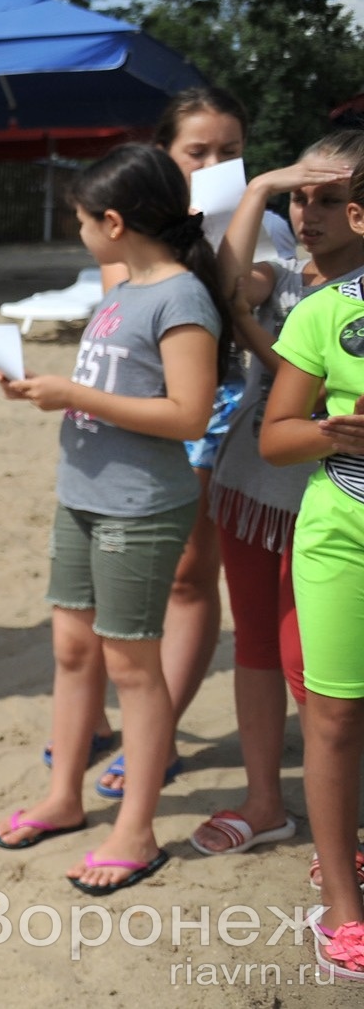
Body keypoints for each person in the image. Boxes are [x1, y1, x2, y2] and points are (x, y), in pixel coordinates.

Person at [0, 144, 228, 898]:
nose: (81, 231)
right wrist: (43, 389)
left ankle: (137, 827)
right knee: (71, 649)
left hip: (140, 505)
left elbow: (188, 414)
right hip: (84, 494)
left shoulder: (180, 297)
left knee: (131, 665)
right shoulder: (122, 290)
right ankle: (66, 795)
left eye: (84, 221)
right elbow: (112, 383)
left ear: (115, 222)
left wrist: (75, 396)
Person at [92, 86, 303, 798]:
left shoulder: (264, 222)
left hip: (213, 419)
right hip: (133, 416)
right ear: (164, 154)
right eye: (198, 151)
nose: (216, 163)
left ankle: (164, 727)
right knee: (119, 570)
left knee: (190, 573)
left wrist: (246, 203)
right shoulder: (128, 221)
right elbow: (118, 303)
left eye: (232, 152)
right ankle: (114, 717)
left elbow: (236, 287)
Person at [193, 133, 363, 858]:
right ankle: (267, 801)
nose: (309, 213)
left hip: (328, 498)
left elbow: (314, 375)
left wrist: (270, 348)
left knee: (322, 674)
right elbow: (222, 290)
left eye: (330, 199)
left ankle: (343, 831)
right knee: (259, 646)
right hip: (255, 482)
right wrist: (258, 185)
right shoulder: (286, 272)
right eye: (300, 197)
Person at [261, 163, 364, 977]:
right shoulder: (327, 312)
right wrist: (335, 429)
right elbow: (276, 436)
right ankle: (341, 902)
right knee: (332, 718)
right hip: (343, 532)